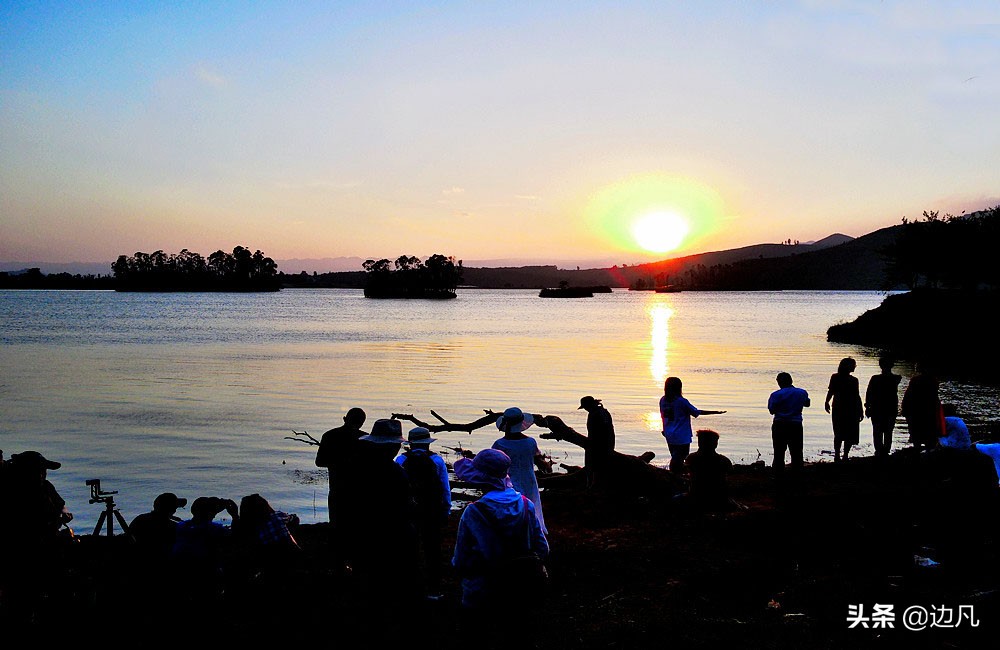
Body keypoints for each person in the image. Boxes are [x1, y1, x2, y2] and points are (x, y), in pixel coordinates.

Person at [452, 449, 549, 640]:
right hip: (520, 589)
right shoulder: (525, 504)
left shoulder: (474, 512)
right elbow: (542, 548)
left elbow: (461, 560)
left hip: (481, 591)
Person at [395, 426, 452, 599]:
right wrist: (446, 508)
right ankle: (434, 589)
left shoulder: (400, 460)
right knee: (432, 549)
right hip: (431, 509)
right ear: (427, 443)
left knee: (407, 549)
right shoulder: (436, 460)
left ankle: (409, 587)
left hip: (408, 510)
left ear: (410, 444)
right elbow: (444, 487)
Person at [314, 407, 367, 567]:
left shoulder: (329, 435)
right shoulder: (365, 438)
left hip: (337, 489)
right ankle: (354, 562)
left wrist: (337, 461)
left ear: (345, 418)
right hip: (359, 492)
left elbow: (319, 462)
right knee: (357, 528)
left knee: (337, 526)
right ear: (362, 423)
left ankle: (339, 564)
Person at [170, 496, 240, 605]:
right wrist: (235, 516)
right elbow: (237, 539)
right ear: (212, 512)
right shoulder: (215, 530)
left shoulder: (181, 526)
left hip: (181, 574)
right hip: (206, 576)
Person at [492, 406, 549, 535]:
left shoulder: (500, 444)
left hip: (509, 479)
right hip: (529, 479)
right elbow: (537, 459)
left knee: (513, 507)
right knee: (531, 504)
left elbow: (493, 463)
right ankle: (533, 531)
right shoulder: (530, 442)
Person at [659, 377, 726, 473]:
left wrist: (664, 429)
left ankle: (675, 475)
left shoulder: (663, 400)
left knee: (675, 456)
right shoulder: (681, 401)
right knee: (681, 457)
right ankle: (676, 476)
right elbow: (696, 412)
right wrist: (715, 412)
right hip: (681, 435)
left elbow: (663, 416)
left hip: (669, 434)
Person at [768, 372, 811, 476]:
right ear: (791, 380)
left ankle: (778, 474)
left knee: (779, 451)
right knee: (796, 451)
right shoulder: (801, 392)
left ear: (779, 382)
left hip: (780, 424)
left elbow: (772, 410)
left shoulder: (775, 395)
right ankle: (797, 473)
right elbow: (807, 403)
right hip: (795, 424)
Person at [683, 429, 736, 512]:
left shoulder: (691, 458)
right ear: (715, 444)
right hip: (718, 496)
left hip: (696, 495)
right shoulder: (724, 460)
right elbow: (730, 475)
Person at [129, 492, 187, 563]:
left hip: (137, 557)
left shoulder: (139, 519)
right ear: (173, 510)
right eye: (175, 507)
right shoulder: (172, 527)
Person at [824, 357, 864, 462]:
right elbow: (856, 396)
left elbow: (831, 391)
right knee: (848, 432)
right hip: (850, 408)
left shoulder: (835, 377)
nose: (855, 367)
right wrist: (860, 410)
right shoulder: (853, 380)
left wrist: (827, 402)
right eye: (854, 365)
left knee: (838, 432)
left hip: (839, 407)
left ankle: (838, 455)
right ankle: (844, 455)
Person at [864, 355, 902, 458]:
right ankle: (885, 450)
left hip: (878, 408)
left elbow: (869, 393)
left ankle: (879, 450)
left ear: (880, 365)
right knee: (888, 430)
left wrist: (867, 406)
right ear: (892, 365)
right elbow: (869, 393)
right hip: (890, 408)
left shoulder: (875, 378)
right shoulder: (896, 378)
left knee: (877, 431)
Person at [901, 363, 944, 452]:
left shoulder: (915, 380)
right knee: (929, 437)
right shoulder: (933, 381)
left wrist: (905, 409)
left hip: (916, 413)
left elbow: (908, 396)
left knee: (917, 437)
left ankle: (918, 454)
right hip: (929, 413)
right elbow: (935, 399)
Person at [577, 395, 616, 488]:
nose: (585, 409)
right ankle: (596, 485)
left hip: (598, 445)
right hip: (607, 444)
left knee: (593, 467)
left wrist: (592, 444)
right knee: (600, 467)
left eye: (585, 407)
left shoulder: (595, 414)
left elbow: (597, 432)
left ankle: (592, 486)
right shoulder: (603, 412)